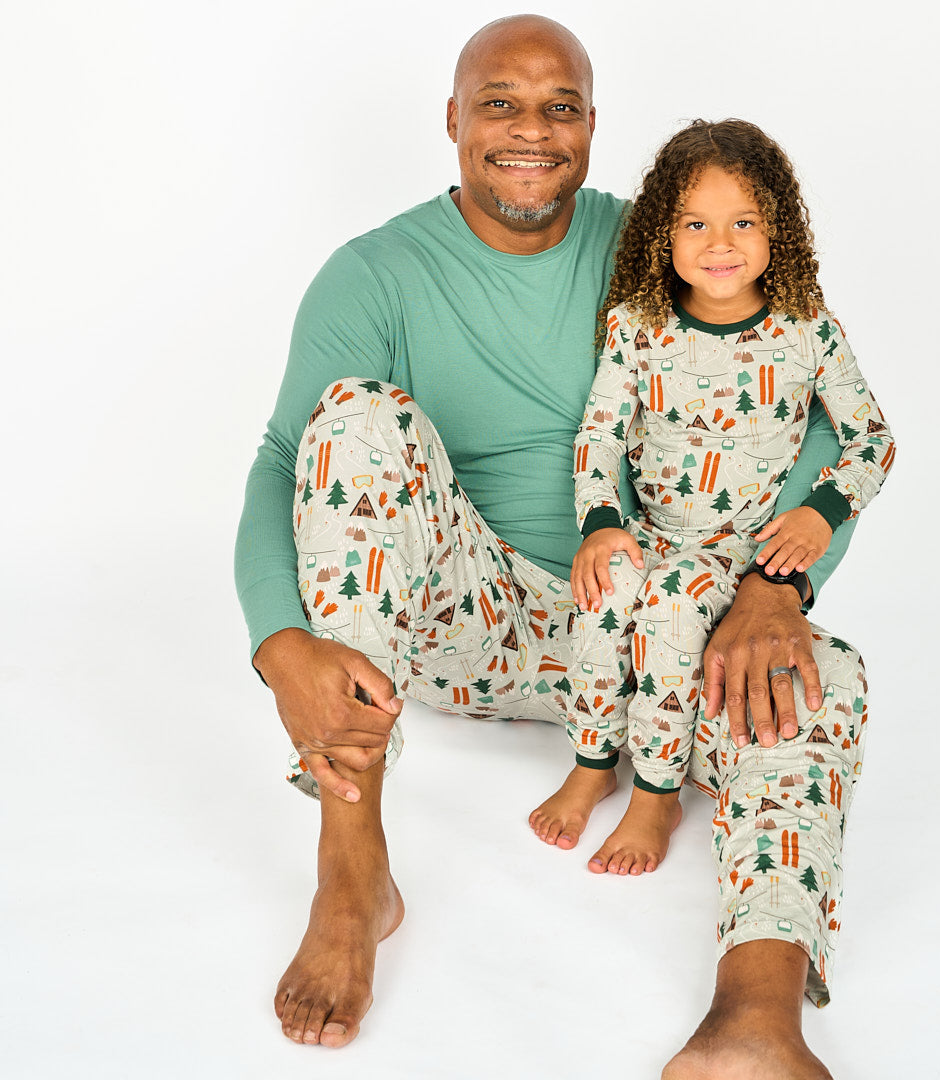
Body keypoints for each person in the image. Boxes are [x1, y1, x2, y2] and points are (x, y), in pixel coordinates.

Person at [234, 14, 862, 1078]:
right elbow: (282, 461)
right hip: (463, 626)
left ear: (590, 126)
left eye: (559, 106)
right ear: (452, 119)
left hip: (657, 619)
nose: (532, 130)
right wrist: (277, 641)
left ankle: (754, 1016)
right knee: (356, 416)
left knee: (822, 686)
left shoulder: (662, 244)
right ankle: (353, 880)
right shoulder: (375, 271)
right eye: (501, 103)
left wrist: (772, 591)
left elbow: (815, 422)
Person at [531, 119, 894, 880]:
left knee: (667, 606)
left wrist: (817, 513)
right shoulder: (637, 329)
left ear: (778, 232)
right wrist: (601, 526)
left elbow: (873, 440)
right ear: (662, 234)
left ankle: (658, 791)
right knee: (603, 595)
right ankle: (594, 759)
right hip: (650, 527)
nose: (719, 242)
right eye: (695, 223)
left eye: (742, 222)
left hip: (735, 553)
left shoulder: (807, 334)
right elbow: (598, 437)